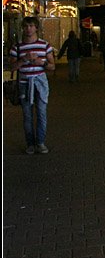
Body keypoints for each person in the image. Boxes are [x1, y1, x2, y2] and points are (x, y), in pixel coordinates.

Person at [9, 16, 55, 155]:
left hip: (40, 83)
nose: (28, 29)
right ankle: (30, 144)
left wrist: (43, 63)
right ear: (22, 28)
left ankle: (40, 142)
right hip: (24, 83)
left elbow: (52, 67)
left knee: (41, 114)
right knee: (27, 115)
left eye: (31, 26)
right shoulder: (17, 47)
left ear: (36, 28)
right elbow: (12, 67)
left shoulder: (45, 45)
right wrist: (24, 59)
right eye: (26, 26)